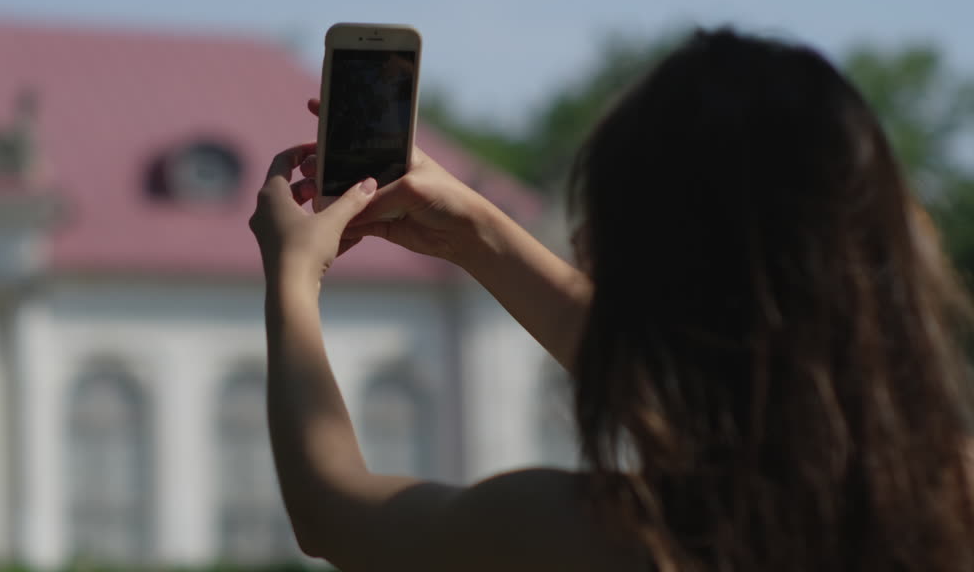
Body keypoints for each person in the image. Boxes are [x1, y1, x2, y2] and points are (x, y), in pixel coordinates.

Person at [247, 29, 974, 572]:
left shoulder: (586, 534)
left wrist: (294, 280)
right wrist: (477, 236)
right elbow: (694, 375)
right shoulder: (950, 499)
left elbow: (332, 508)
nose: (582, 241)